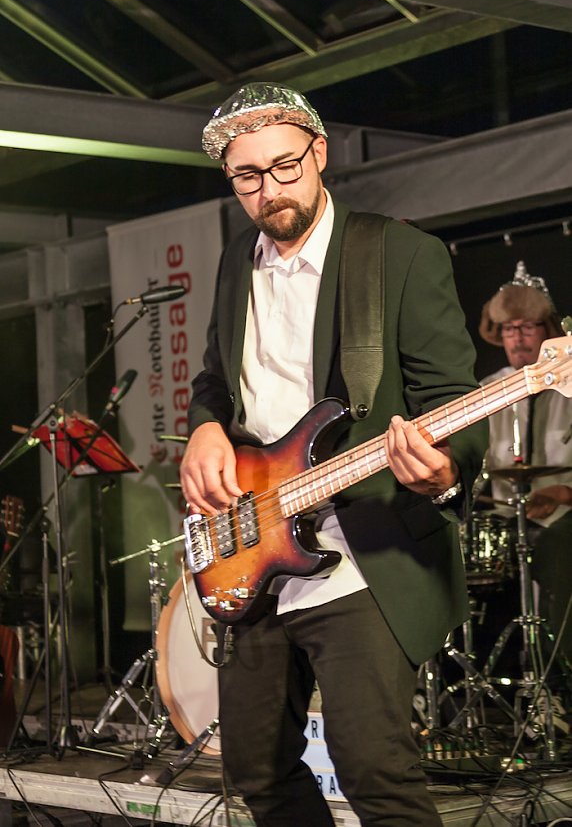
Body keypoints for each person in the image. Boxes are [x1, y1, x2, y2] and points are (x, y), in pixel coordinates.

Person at [179, 82, 487, 826]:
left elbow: (454, 397)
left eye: (285, 167)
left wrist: (445, 472)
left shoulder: (398, 253)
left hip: (360, 554)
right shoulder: (233, 264)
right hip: (253, 550)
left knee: (376, 776)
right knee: (256, 774)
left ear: (320, 153)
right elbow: (217, 382)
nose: (269, 190)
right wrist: (203, 427)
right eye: (247, 177)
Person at [478, 262, 572, 688]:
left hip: (561, 516)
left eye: (527, 327)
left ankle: (554, 687)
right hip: (502, 517)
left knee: (553, 550)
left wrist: (563, 491)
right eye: (509, 328)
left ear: (547, 329)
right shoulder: (486, 389)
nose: (516, 337)